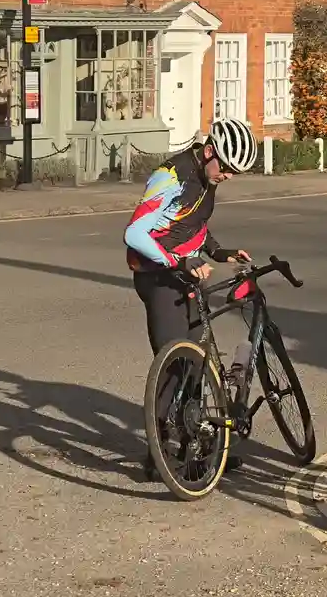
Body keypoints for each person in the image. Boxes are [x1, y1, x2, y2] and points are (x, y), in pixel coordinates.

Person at [125, 115, 259, 478]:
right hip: (158, 278)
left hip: (185, 273)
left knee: (198, 363)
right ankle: (160, 455)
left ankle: (202, 447)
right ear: (210, 151)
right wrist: (179, 262)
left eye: (235, 173)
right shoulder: (170, 178)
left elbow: (194, 221)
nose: (228, 176)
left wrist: (219, 252)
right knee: (173, 365)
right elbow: (135, 234)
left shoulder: (206, 176)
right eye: (227, 168)